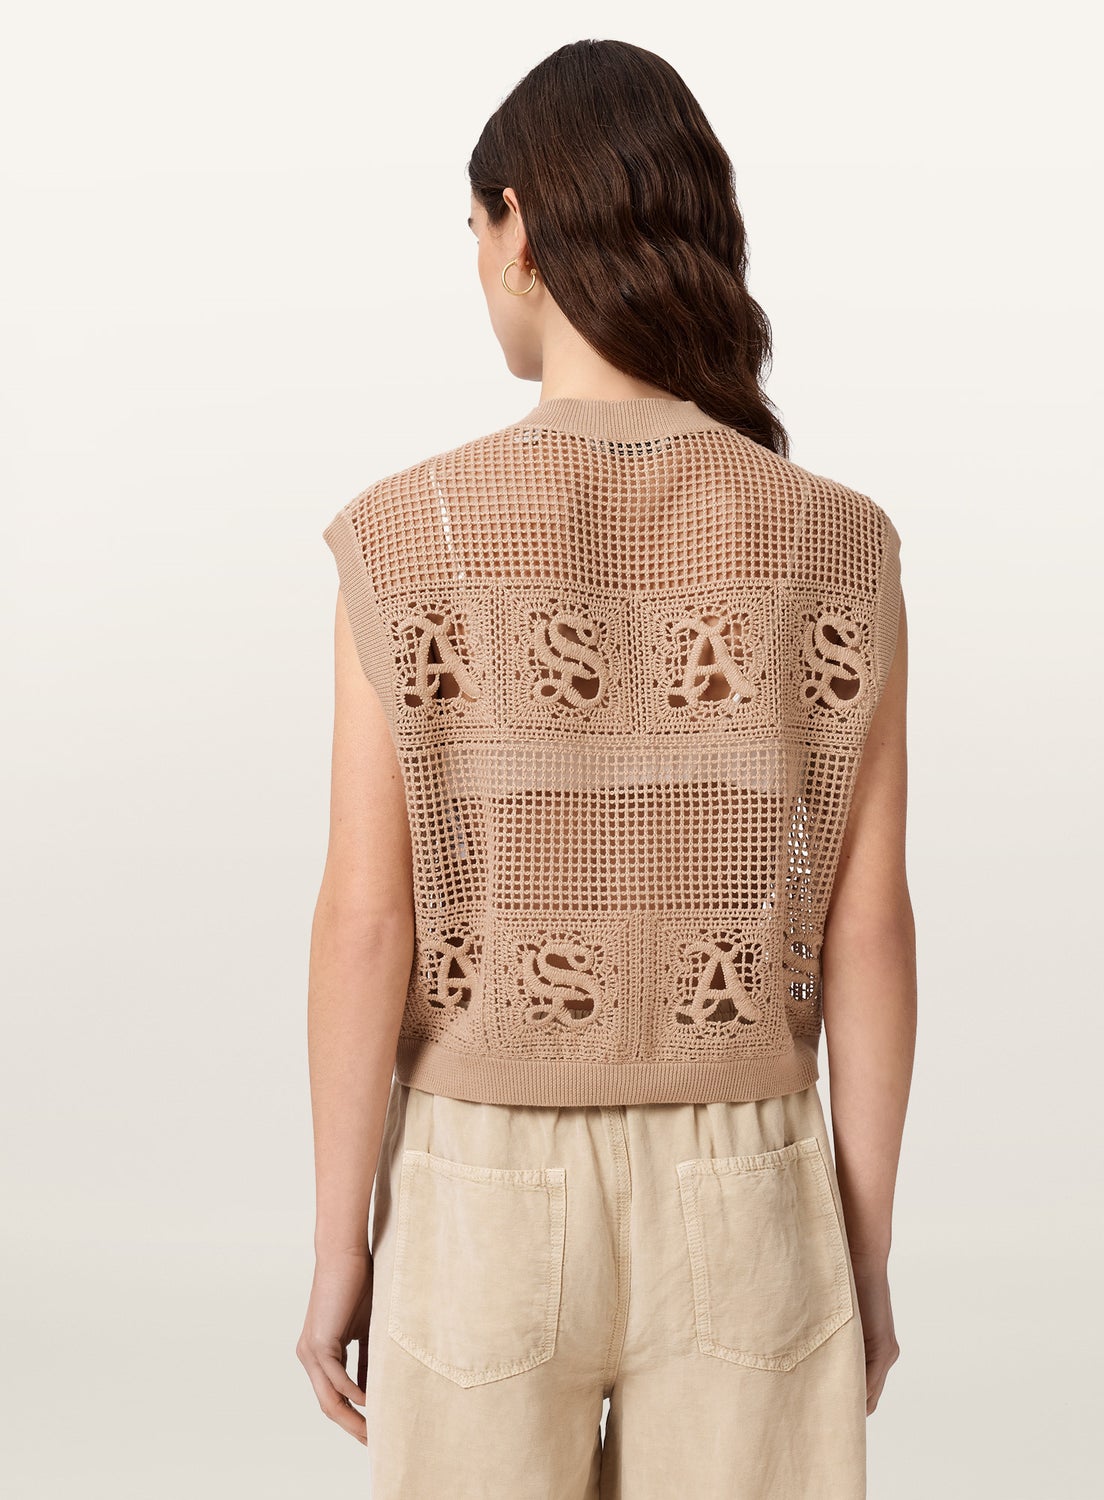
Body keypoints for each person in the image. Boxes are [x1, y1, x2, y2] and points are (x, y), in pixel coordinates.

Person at [296, 37, 915, 1500]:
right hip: (752, 1185)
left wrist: (339, 1247)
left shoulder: (407, 536)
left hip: (481, 1187)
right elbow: (870, 924)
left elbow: (368, 923)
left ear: (518, 227)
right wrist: (864, 1245)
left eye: (473, 227)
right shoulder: (840, 542)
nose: (476, 262)